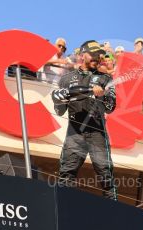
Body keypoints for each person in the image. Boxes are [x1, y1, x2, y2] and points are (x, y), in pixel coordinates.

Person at [51, 40, 117, 200]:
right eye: (93, 54)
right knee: (67, 172)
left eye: (98, 55)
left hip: (97, 133)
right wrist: (61, 98)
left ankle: (115, 213)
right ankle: (63, 206)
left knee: (105, 173)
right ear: (82, 55)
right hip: (74, 132)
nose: (96, 57)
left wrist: (103, 95)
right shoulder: (66, 79)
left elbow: (111, 107)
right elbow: (59, 110)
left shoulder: (105, 79)